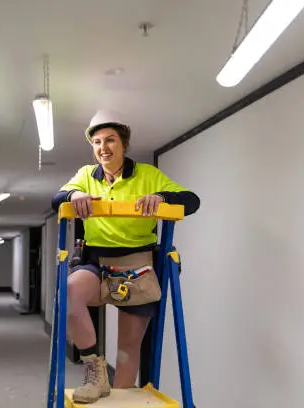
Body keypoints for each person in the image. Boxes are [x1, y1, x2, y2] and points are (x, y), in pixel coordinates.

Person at [51, 109, 200, 404]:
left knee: (127, 350)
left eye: (110, 140)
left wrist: (162, 198)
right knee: (68, 294)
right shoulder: (85, 175)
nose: (103, 148)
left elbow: (191, 200)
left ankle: (117, 398)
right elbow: (58, 197)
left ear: (124, 144)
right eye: (97, 142)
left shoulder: (147, 175)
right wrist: (74, 196)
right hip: (96, 262)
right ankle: (95, 371)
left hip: (136, 265)